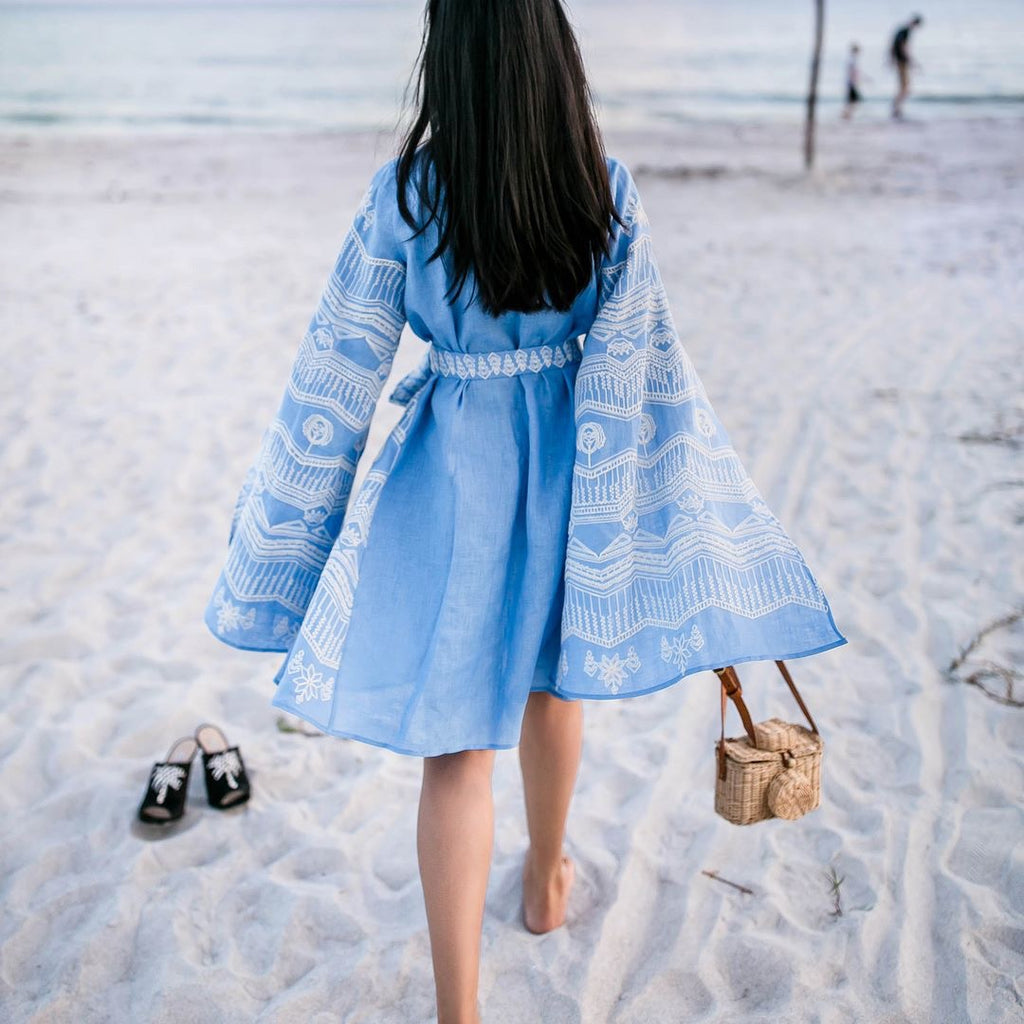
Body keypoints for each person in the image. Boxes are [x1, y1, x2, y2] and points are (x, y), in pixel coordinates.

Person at [203, 1, 846, 1020]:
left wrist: (292, 530)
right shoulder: (597, 185)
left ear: (446, 60)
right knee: (556, 683)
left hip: (448, 479)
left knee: (453, 747)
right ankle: (546, 885)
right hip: (568, 469)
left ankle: (460, 1008)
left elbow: (339, 372)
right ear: (556, 56)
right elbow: (646, 370)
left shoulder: (408, 196)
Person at [890, 14, 924, 119]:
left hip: (900, 61)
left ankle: (897, 108)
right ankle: (896, 109)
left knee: (904, 87)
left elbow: (894, 46)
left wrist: (892, 59)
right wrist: (911, 61)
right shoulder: (905, 31)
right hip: (902, 62)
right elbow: (902, 47)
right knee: (905, 87)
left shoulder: (902, 30)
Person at [843, 42, 864, 120]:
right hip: (851, 84)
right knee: (854, 101)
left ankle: (846, 114)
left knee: (852, 101)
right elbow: (852, 72)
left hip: (851, 83)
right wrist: (854, 82)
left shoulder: (852, 59)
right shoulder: (852, 60)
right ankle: (846, 114)